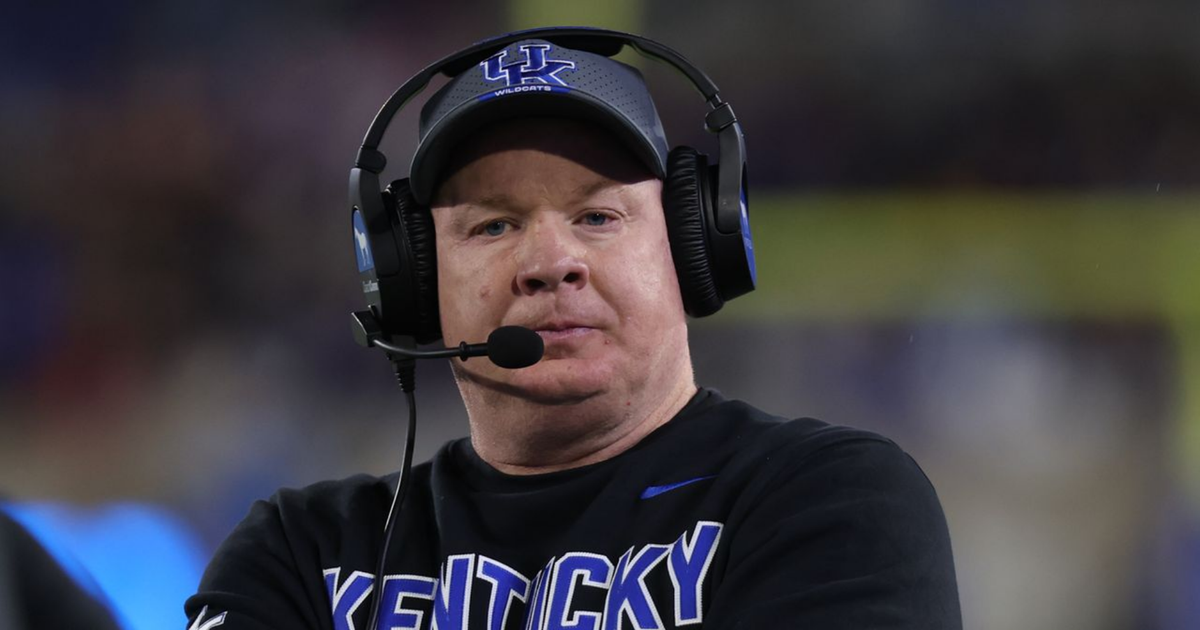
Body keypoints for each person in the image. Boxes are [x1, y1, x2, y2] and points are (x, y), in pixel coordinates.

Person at [186, 29, 961, 630]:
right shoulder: (302, 550)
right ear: (413, 282)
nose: (550, 264)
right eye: (492, 226)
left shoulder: (829, 500)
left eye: (598, 215)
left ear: (693, 247)